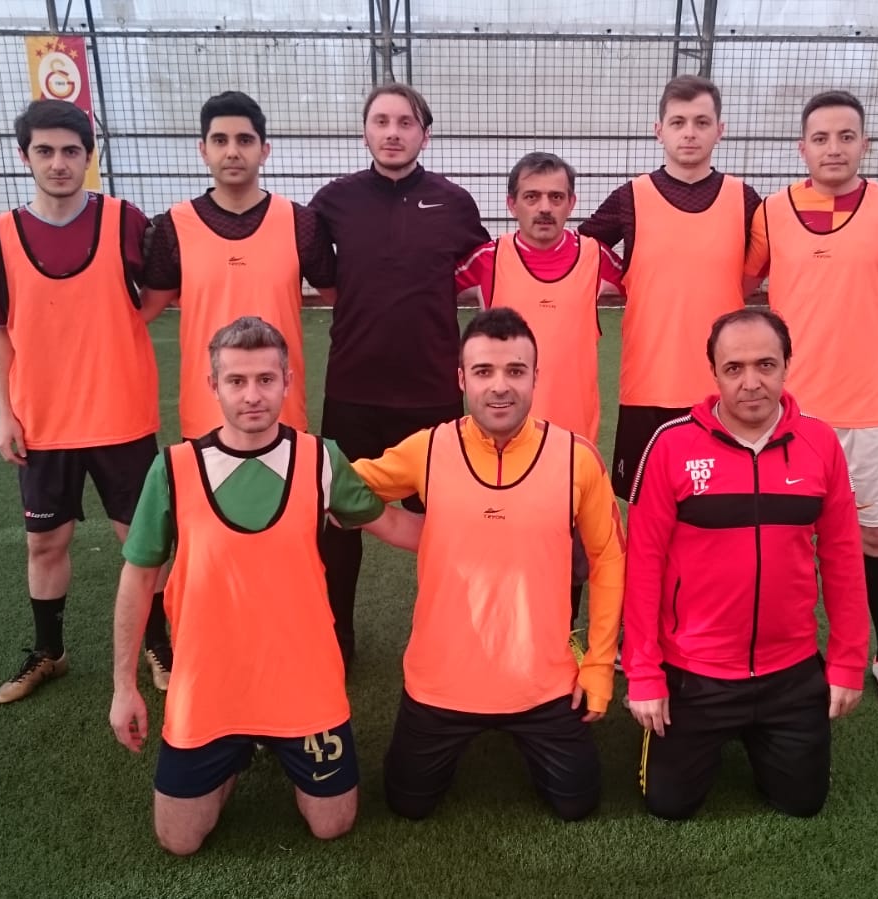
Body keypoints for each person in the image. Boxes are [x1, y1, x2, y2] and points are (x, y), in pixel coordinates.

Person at [108, 316, 422, 856]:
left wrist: (487, 528)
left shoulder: (319, 459)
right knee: (179, 840)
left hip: (303, 682)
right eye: (236, 381)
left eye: (265, 379)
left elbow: (394, 525)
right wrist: (123, 686)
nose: (252, 395)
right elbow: (137, 578)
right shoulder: (176, 469)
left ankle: (272, 744)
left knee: (333, 823)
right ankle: (236, 752)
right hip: (211, 687)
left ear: (287, 382)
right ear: (214, 385)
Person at [351, 307, 625, 821]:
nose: (500, 386)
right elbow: (344, 487)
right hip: (439, 682)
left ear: (536, 377)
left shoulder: (576, 457)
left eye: (515, 371)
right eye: (483, 371)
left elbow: (608, 558)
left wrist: (597, 665)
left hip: (543, 685)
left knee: (578, 803)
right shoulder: (428, 448)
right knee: (408, 805)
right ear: (462, 379)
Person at [623, 308, 868, 820]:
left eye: (765, 365)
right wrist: (644, 673)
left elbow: (844, 559)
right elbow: (643, 566)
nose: (751, 382)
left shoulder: (821, 443)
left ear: (787, 366)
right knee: (669, 806)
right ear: (714, 372)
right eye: (734, 368)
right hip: (695, 671)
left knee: (802, 803)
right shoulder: (671, 445)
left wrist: (847, 661)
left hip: (790, 671)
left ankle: (768, 736)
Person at [743, 90, 878, 712]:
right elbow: (740, 285)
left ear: (865, 144)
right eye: (821, 138)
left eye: (846, 136)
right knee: (783, 540)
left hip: (866, 413)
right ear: (802, 148)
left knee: (872, 538)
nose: (834, 148)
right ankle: (788, 655)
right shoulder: (771, 213)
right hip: (787, 417)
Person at [0, 99, 167, 704]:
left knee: (142, 541)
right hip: (44, 422)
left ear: (89, 157)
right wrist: (6, 413)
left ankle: (161, 646)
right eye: (45, 151)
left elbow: (162, 288)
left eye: (70, 151)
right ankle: (49, 653)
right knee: (44, 543)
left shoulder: (124, 220)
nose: (58, 163)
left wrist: (121, 325)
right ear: (24, 156)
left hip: (121, 416)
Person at [309, 82, 491, 667]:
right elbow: (326, 282)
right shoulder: (333, 202)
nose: (392, 132)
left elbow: (478, 278)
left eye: (405, 123)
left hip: (431, 394)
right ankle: (336, 638)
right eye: (381, 121)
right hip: (353, 391)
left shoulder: (454, 202)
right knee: (339, 519)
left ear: (424, 135)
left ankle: (454, 635)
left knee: (446, 520)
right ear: (366, 131)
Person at [453, 151, 622, 627]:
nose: (544, 207)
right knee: (501, 548)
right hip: (501, 441)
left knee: (571, 553)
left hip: (573, 441)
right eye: (532, 197)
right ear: (511, 204)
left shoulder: (597, 258)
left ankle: (563, 638)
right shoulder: (489, 259)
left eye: (555, 197)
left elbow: (651, 287)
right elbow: (423, 294)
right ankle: (499, 639)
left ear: (572, 202)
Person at [579, 74, 762, 499]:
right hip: (650, 382)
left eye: (702, 122)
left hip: (724, 384)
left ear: (720, 130)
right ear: (659, 130)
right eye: (678, 122)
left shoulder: (744, 199)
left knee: (721, 506)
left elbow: (766, 264)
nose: (690, 133)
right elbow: (578, 254)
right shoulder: (631, 197)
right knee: (647, 504)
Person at [141, 90, 337, 437]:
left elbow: (345, 300)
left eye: (245, 140)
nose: (232, 151)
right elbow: (142, 311)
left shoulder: (300, 222)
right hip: (205, 417)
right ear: (203, 150)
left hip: (281, 414)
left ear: (264, 151)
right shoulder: (175, 225)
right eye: (220, 140)